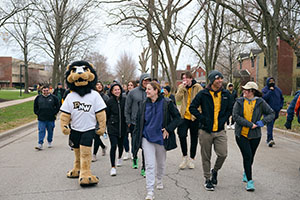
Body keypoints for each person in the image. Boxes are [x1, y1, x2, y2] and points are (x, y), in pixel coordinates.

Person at [133, 81, 181, 200]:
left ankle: (159, 179)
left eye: (149, 89)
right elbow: (139, 123)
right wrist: (135, 140)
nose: (147, 91)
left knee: (161, 164)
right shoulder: (143, 104)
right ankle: (150, 191)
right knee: (149, 165)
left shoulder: (167, 103)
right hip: (147, 137)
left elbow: (178, 118)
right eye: (146, 89)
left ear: (156, 91)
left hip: (161, 138)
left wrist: (168, 129)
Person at [189, 70, 232, 191]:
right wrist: (202, 118)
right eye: (217, 79)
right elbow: (192, 107)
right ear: (212, 80)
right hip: (205, 131)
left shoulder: (226, 94)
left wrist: (224, 119)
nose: (220, 81)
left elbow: (230, 108)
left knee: (223, 154)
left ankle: (215, 171)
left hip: (220, 130)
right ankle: (207, 179)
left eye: (221, 78)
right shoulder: (203, 94)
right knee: (206, 156)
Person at [233, 81, 274, 191]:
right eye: (244, 89)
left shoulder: (260, 102)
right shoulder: (239, 101)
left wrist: (262, 122)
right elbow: (235, 116)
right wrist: (249, 124)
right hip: (241, 134)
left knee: (251, 156)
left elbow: (271, 113)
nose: (244, 91)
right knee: (247, 156)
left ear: (252, 92)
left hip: (255, 135)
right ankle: (250, 181)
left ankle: (246, 172)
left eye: (246, 90)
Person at [175, 71, 203, 169]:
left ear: (191, 78)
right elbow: (177, 99)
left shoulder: (198, 87)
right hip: (184, 116)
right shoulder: (181, 87)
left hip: (194, 117)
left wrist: (199, 112)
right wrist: (182, 88)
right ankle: (184, 157)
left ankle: (192, 159)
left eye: (186, 78)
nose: (185, 80)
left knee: (194, 138)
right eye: (183, 78)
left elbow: (202, 101)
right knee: (181, 135)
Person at [125, 73, 151, 177]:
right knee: (135, 143)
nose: (146, 82)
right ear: (141, 81)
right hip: (134, 123)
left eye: (148, 80)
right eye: (145, 80)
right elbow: (127, 108)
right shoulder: (133, 93)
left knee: (145, 146)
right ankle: (134, 156)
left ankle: (144, 167)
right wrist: (128, 121)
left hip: (147, 123)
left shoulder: (151, 92)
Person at [106, 83, 127, 176]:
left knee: (121, 145)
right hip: (113, 127)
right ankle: (113, 167)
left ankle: (119, 157)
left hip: (123, 127)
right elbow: (107, 115)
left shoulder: (125, 100)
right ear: (112, 91)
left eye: (118, 89)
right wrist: (106, 126)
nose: (117, 91)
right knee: (113, 146)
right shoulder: (109, 102)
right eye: (115, 90)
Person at [33, 85, 60, 150]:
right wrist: (38, 113)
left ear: (49, 90)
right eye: (44, 90)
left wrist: (54, 113)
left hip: (50, 118)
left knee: (50, 130)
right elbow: (35, 106)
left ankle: (49, 141)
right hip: (41, 118)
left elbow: (57, 106)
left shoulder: (53, 98)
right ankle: (40, 143)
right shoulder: (38, 98)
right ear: (42, 91)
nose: (45, 92)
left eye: (47, 90)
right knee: (41, 130)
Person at [262, 77, 284, 147]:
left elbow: (281, 99)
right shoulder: (265, 90)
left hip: (276, 111)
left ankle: (268, 138)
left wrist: (280, 107)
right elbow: (264, 98)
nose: (271, 82)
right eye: (270, 81)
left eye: (273, 81)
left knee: (270, 125)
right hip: (267, 111)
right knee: (270, 124)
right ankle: (270, 139)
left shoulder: (278, 90)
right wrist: (270, 92)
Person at [92, 81, 109, 162]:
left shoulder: (105, 97)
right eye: (97, 85)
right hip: (92, 118)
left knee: (96, 135)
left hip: (101, 119)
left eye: (100, 85)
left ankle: (94, 154)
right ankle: (103, 146)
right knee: (93, 135)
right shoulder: (91, 96)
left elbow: (108, 109)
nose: (99, 86)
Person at [123, 80, 137, 160]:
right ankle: (127, 151)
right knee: (125, 136)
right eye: (128, 85)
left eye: (131, 85)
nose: (129, 86)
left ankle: (133, 152)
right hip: (126, 118)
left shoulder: (136, 96)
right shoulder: (124, 95)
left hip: (133, 119)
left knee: (133, 137)